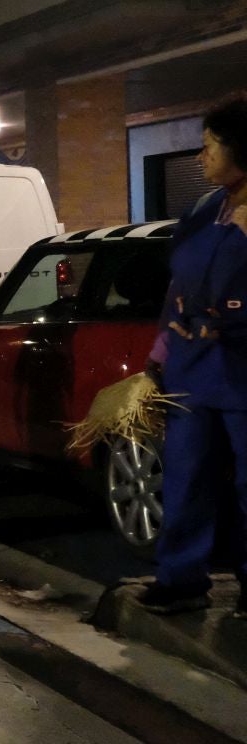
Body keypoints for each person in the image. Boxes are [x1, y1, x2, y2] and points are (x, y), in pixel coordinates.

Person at [138, 100, 247, 616]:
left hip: (242, 367)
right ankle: (180, 577)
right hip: (192, 365)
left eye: (210, 145)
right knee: (185, 473)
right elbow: (177, 287)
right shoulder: (206, 209)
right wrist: (160, 351)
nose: (200, 155)